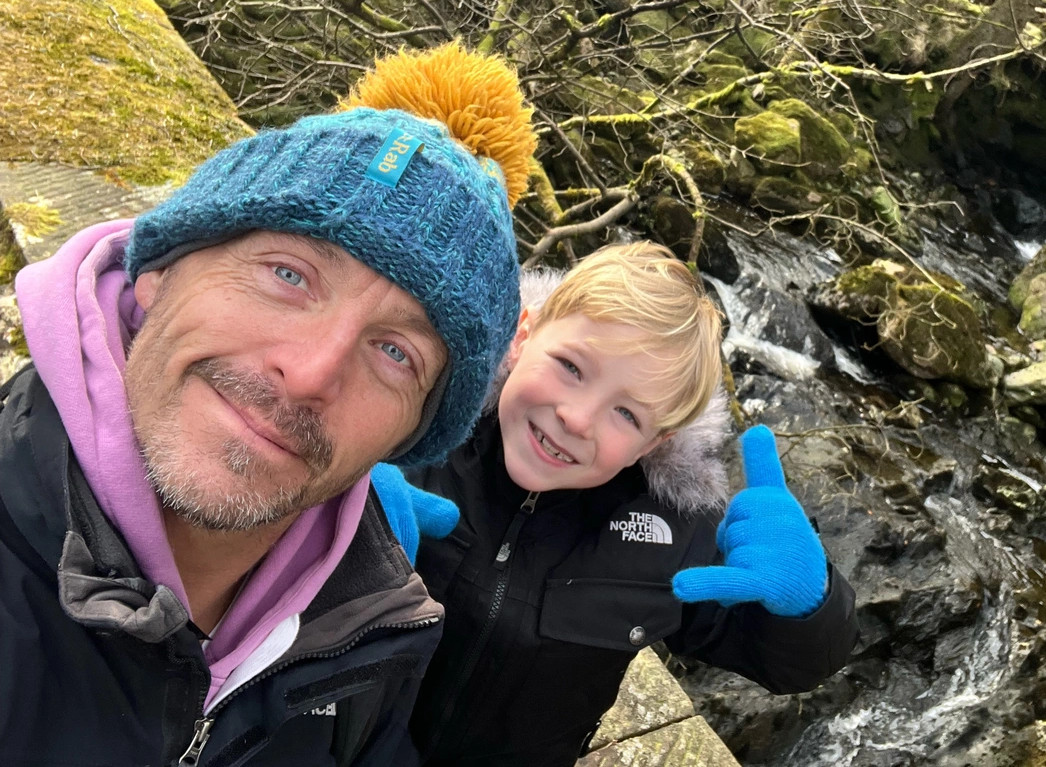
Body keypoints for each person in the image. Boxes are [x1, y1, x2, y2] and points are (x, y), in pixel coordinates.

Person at [0, 43, 535, 765]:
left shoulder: (379, 638)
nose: (311, 374)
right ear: (158, 270)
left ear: (409, 436)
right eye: (288, 274)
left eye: (394, 352)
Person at [401, 242, 859, 766]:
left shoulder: (674, 535)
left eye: (626, 414)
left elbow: (793, 666)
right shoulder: (420, 423)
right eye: (571, 367)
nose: (577, 419)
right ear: (524, 334)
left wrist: (810, 603)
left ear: (654, 443)